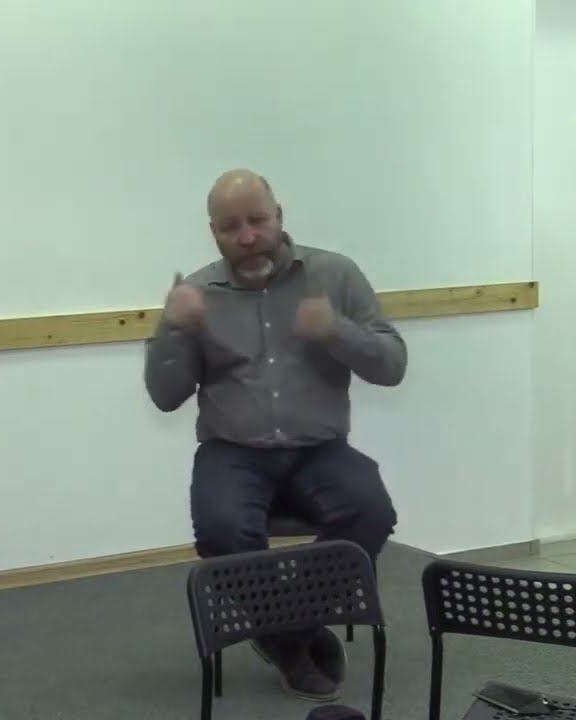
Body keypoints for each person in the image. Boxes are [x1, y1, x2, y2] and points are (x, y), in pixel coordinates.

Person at [144, 169, 404, 702]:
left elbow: (392, 365)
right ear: (213, 232)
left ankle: (283, 637)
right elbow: (165, 396)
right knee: (220, 529)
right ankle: (296, 642)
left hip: (320, 449)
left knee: (370, 509)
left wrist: (336, 331)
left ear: (279, 216)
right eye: (230, 227)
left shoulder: (335, 275)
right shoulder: (197, 294)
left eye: (257, 221)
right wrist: (172, 331)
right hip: (232, 452)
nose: (247, 237)